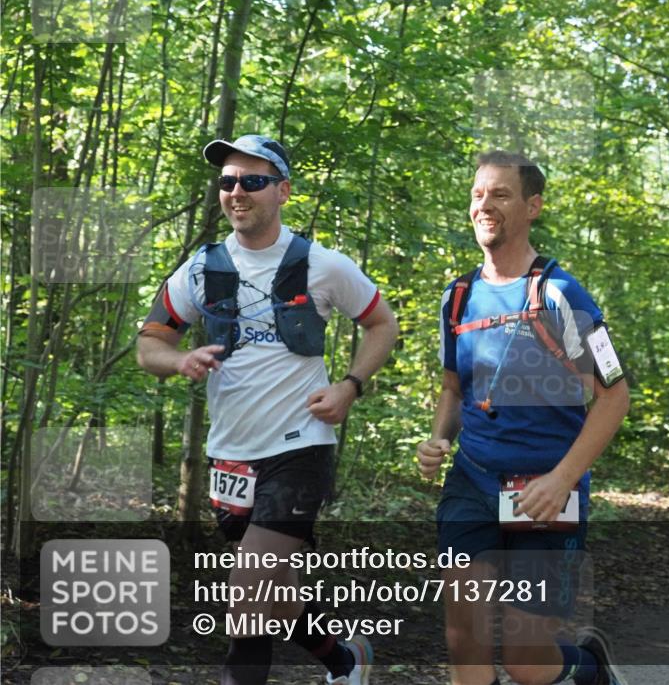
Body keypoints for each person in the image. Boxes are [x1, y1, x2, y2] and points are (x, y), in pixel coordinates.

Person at [137, 134, 399, 685]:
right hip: (231, 455)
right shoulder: (200, 269)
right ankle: (346, 662)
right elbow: (149, 345)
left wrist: (350, 384)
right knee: (275, 597)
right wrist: (179, 359)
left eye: (252, 182)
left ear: (282, 191)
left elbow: (382, 324)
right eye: (228, 181)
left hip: (299, 446)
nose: (237, 192)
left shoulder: (322, 265)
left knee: (246, 590)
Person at [416, 151, 631, 685]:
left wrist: (562, 480)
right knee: (464, 640)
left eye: (501, 194)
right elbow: (452, 387)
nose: (484, 205)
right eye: (477, 194)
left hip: (545, 489)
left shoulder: (561, 294)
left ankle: (592, 672)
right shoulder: (457, 297)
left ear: (533, 206)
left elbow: (614, 395)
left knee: (525, 660)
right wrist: (438, 437)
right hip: (472, 481)